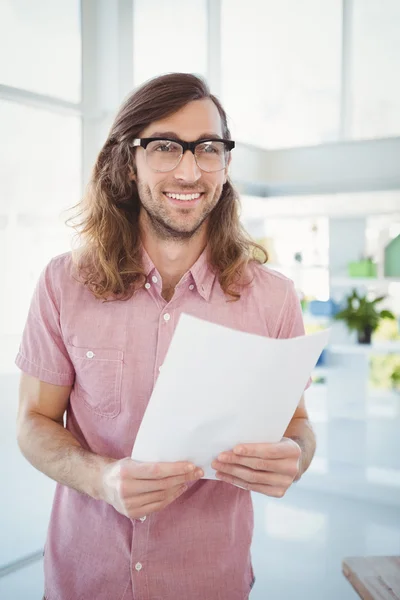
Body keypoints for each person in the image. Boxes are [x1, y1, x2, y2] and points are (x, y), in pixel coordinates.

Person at [16, 73, 316, 600]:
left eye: (207, 148)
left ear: (224, 165)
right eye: (163, 147)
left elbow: (298, 425)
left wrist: (295, 453)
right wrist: (100, 478)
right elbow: (34, 423)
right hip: (84, 581)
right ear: (127, 163)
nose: (189, 169)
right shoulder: (63, 284)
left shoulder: (273, 299)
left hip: (210, 581)